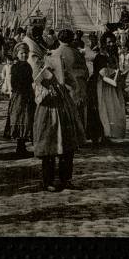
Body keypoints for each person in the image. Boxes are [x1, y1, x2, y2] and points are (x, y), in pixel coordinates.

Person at [33, 49, 86, 192]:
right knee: (48, 148)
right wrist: (46, 90)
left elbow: (74, 87)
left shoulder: (65, 75)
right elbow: (37, 94)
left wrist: (68, 85)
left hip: (64, 113)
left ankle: (66, 179)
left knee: (67, 148)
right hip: (48, 114)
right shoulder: (42, 74)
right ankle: (48, 180)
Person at [4, 43, 36, 156]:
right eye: (21, 53)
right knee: (21, 118)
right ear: (17, 54)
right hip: (20, 96)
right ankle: (20, 147)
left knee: (26, 119)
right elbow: (14, 83)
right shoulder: (16, 66)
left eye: (26, 53)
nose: (24, 55)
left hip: (26, 95)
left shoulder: (27, 65)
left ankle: (22, 146)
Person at [93, 36, 127, 140]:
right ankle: (103, 133)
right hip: (103, 85)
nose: (111, 44)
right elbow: (99, 73)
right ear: (103, 43)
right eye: (108, 42)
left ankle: (109, 133)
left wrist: (119, 75)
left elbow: (117, 68)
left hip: (112, 85)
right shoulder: (99, 56)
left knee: (112, 108)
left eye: (112, 42)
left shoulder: (113, 56)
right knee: (103, 108)